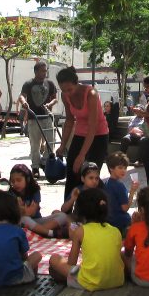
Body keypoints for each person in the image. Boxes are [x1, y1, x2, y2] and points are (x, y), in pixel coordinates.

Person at [49, 188, 124, 291]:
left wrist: (73, 237)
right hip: (117, 280)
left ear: (81, 212)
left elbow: (71, 263)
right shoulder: (115, 230)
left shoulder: (80, 231)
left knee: (54, 259)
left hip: (90, 281)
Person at [55, 67, 109, 200]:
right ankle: (67, 211)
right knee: (72, 173)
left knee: (91, 174)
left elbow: (92, 127)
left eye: (70, 89)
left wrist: (82, 155)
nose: (68, 93)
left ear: (76, 83)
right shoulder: (65, 95)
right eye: (64, 90)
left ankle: (95, 209)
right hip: (80, 134)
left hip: (98, 135)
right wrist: (62, 145)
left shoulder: (91, 93)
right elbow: (69, 120)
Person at [0, 191, 42, 286]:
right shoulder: (18, 231)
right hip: (15, 278)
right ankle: (32, 278)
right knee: (37, 255)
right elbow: (24, 256)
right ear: (15, 211)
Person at [18, 61, 58, 179]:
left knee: (51, 142)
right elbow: (21, 96)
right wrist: (24, 103)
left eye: (45, 71)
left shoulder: (50, 84)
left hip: (47, 116)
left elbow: (55, 99)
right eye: (42, 71)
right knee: (35, 144)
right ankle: (35, 167)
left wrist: (50, 104)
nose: (44, 73)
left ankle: (44, 162)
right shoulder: (28, 83)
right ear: (36, 71)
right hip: (33, 117)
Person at [8, 164, 68, 238]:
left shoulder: (35, 190)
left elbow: (32, 212)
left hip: (37, 221)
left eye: (19, 180)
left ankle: (39, 231)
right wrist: (23, 212)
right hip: (23, 223)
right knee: (23, 219)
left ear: (27, 179)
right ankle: (49, 233)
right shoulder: (11, 194)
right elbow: (17, 216)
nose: (15, 184)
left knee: (63, 216)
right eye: (13, 181)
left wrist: (24, 211)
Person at [104, 152, 139, 236]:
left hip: (107, 220)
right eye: (120, 168)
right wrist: (132, 192)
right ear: (111, 168)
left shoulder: (106, 183)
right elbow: (125, 208)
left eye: (125, 168)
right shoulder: (120, 186)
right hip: (120, 221)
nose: (123, 170)